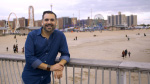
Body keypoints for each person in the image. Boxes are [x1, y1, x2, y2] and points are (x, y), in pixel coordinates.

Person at [22, 11, 70, 84]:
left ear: (56, 22)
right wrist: (50, 67)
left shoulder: (60, 36)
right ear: (42, 22)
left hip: (45, 80)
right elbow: (29, 58)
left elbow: (65, 54)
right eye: (46, 20)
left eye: (52, 20)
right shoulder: (32, 35)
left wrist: (60, 65)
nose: (49, 22)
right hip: (30, 79)